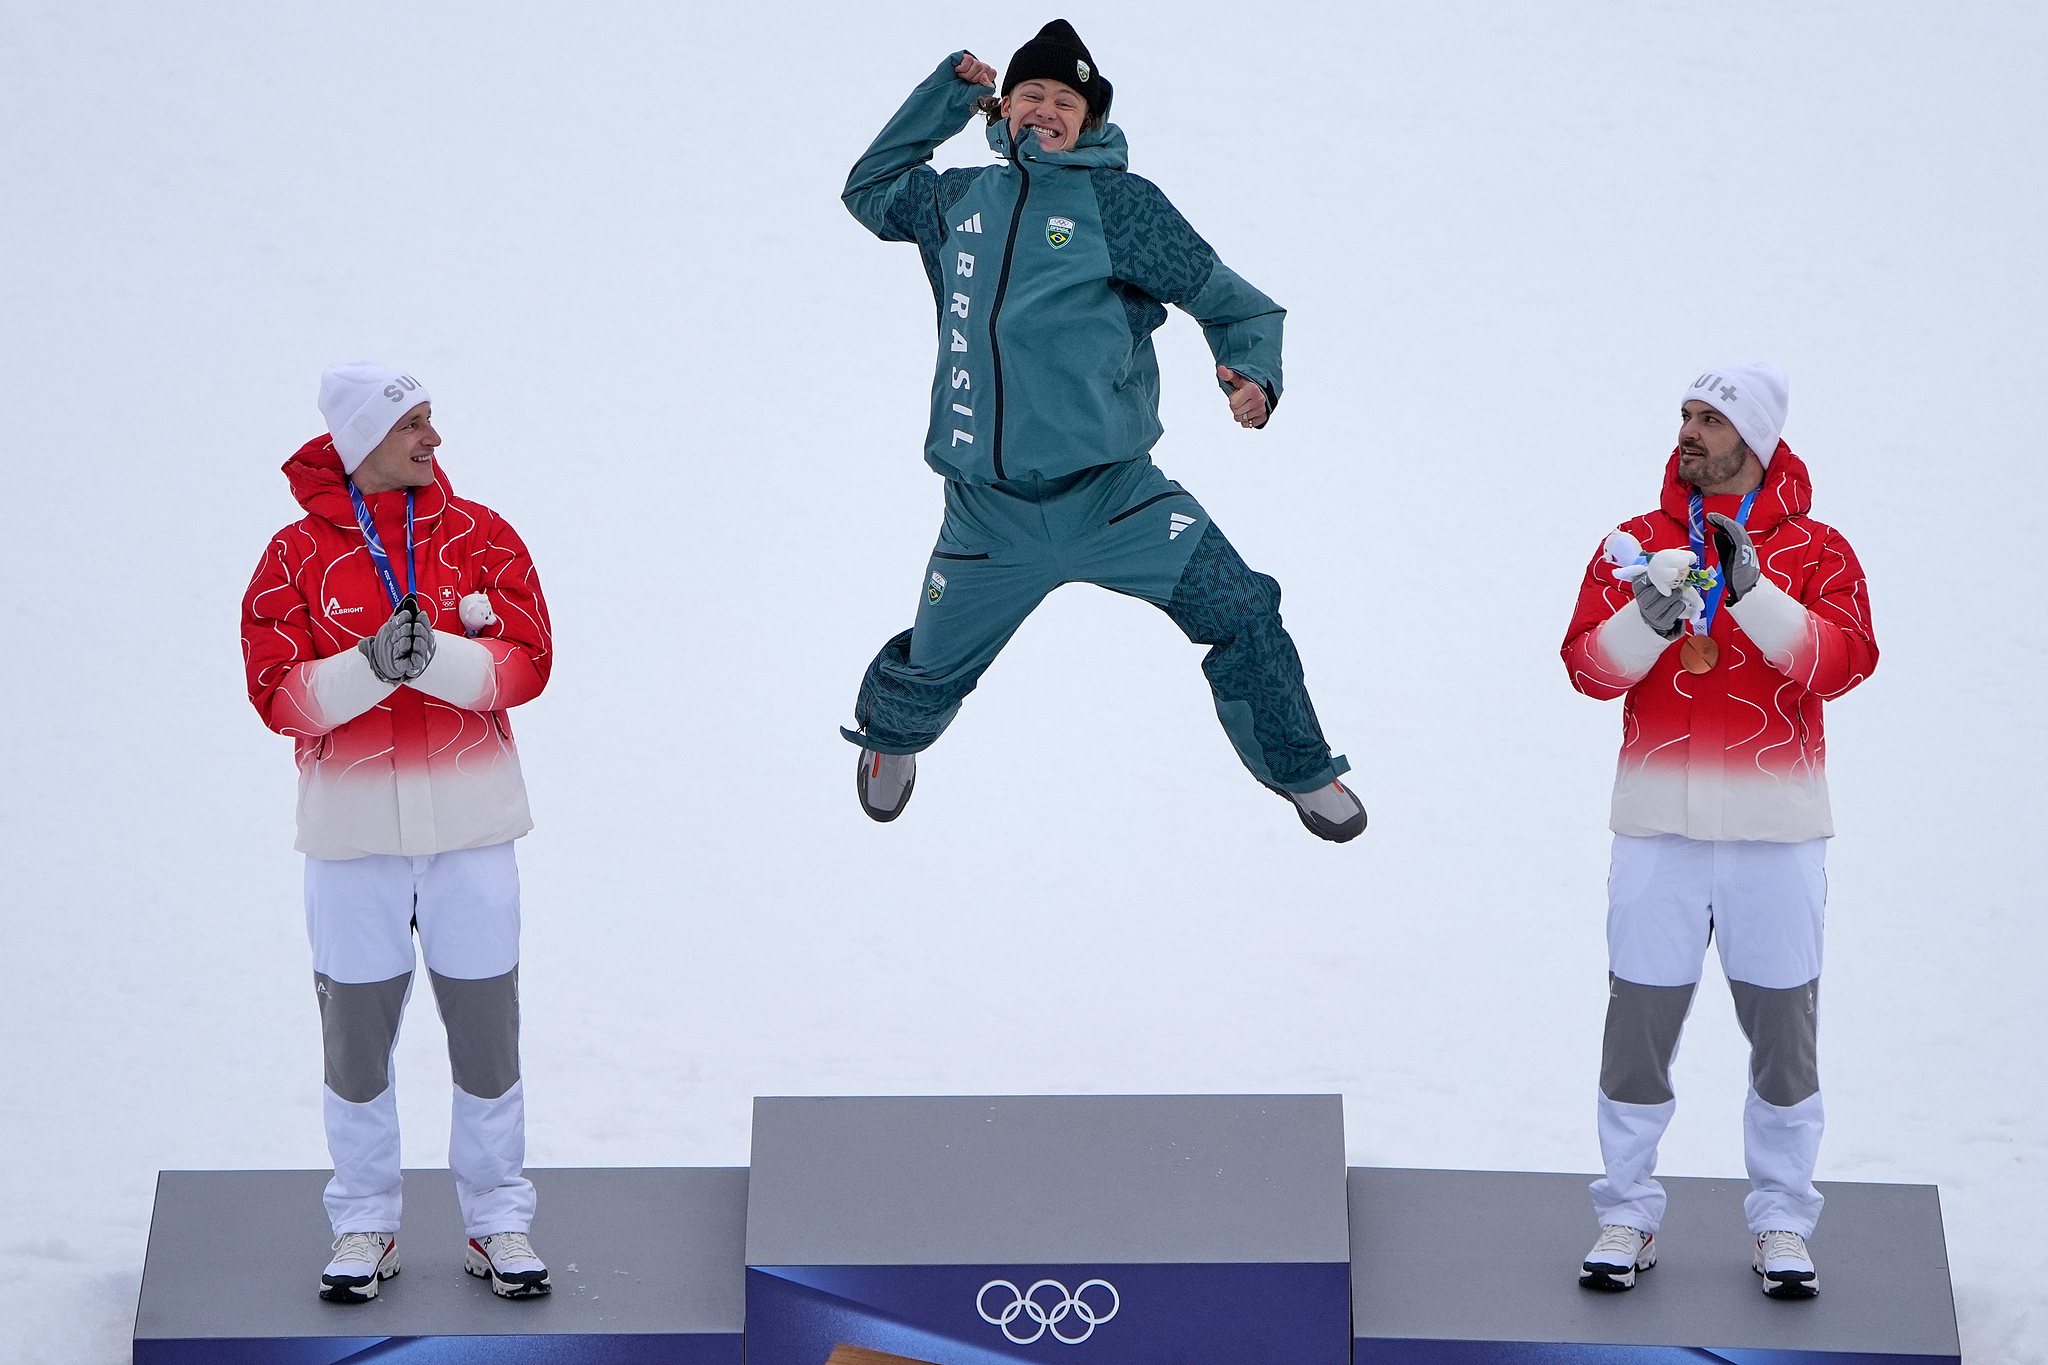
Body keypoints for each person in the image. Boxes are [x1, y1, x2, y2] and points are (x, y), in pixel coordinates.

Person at [839, 20, 1363, 841]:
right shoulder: (956, 201)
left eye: (1065, 101)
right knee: (928, 666)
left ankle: (1302, 769)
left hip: (1118, 500)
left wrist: (1252, 373)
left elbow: (1235, 302)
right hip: (987, 513)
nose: (1046, 110)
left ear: (1089, 120)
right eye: (1031, 95)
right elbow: (870, 188)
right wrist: (947, 95)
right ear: (1003, 106)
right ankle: (892, 743)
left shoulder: (1120, 205)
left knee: (1243, 608)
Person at [1560, 363, 1877, 1298]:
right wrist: (1647, 623)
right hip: (1658, 826)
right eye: (1687, 415)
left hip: (1777, 832)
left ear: (1758, 437)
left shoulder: (1820, 550)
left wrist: (1752, 593)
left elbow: (1844, 661)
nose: (1691, 431)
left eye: (1713, 418)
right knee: (1638, 1029)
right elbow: (1586, 667)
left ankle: (1782, 1218)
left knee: (1784, 1033)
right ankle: (1625, 1209)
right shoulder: (1635, 542)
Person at [241, 362, 556, 1302]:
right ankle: (364, 1222)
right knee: (355, 1043)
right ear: (358, 441)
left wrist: (448, 659)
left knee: (487, 1033)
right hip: (351, 840)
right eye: (413, 422)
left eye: (431, 418)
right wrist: (373, 667)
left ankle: (498, 1218)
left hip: (472, 828)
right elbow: (279, 695)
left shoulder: (482, 534)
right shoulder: (293, 557)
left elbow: (530, 659)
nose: (434, 437)